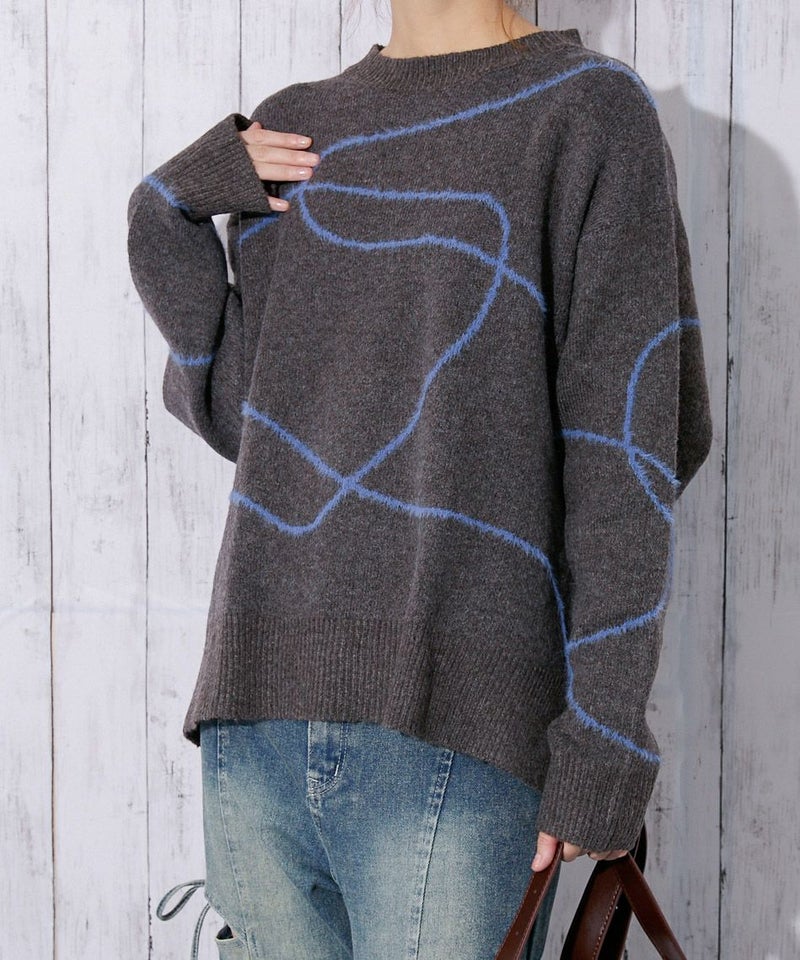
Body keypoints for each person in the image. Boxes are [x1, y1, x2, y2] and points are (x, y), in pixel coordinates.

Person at [128, 0, 713, 957]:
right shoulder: (298, 125)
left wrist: (606, 736)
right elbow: (252, 421)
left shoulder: (585, 110)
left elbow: (632, 453)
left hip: (461, 731)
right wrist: (166, 211)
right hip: (255, 718)